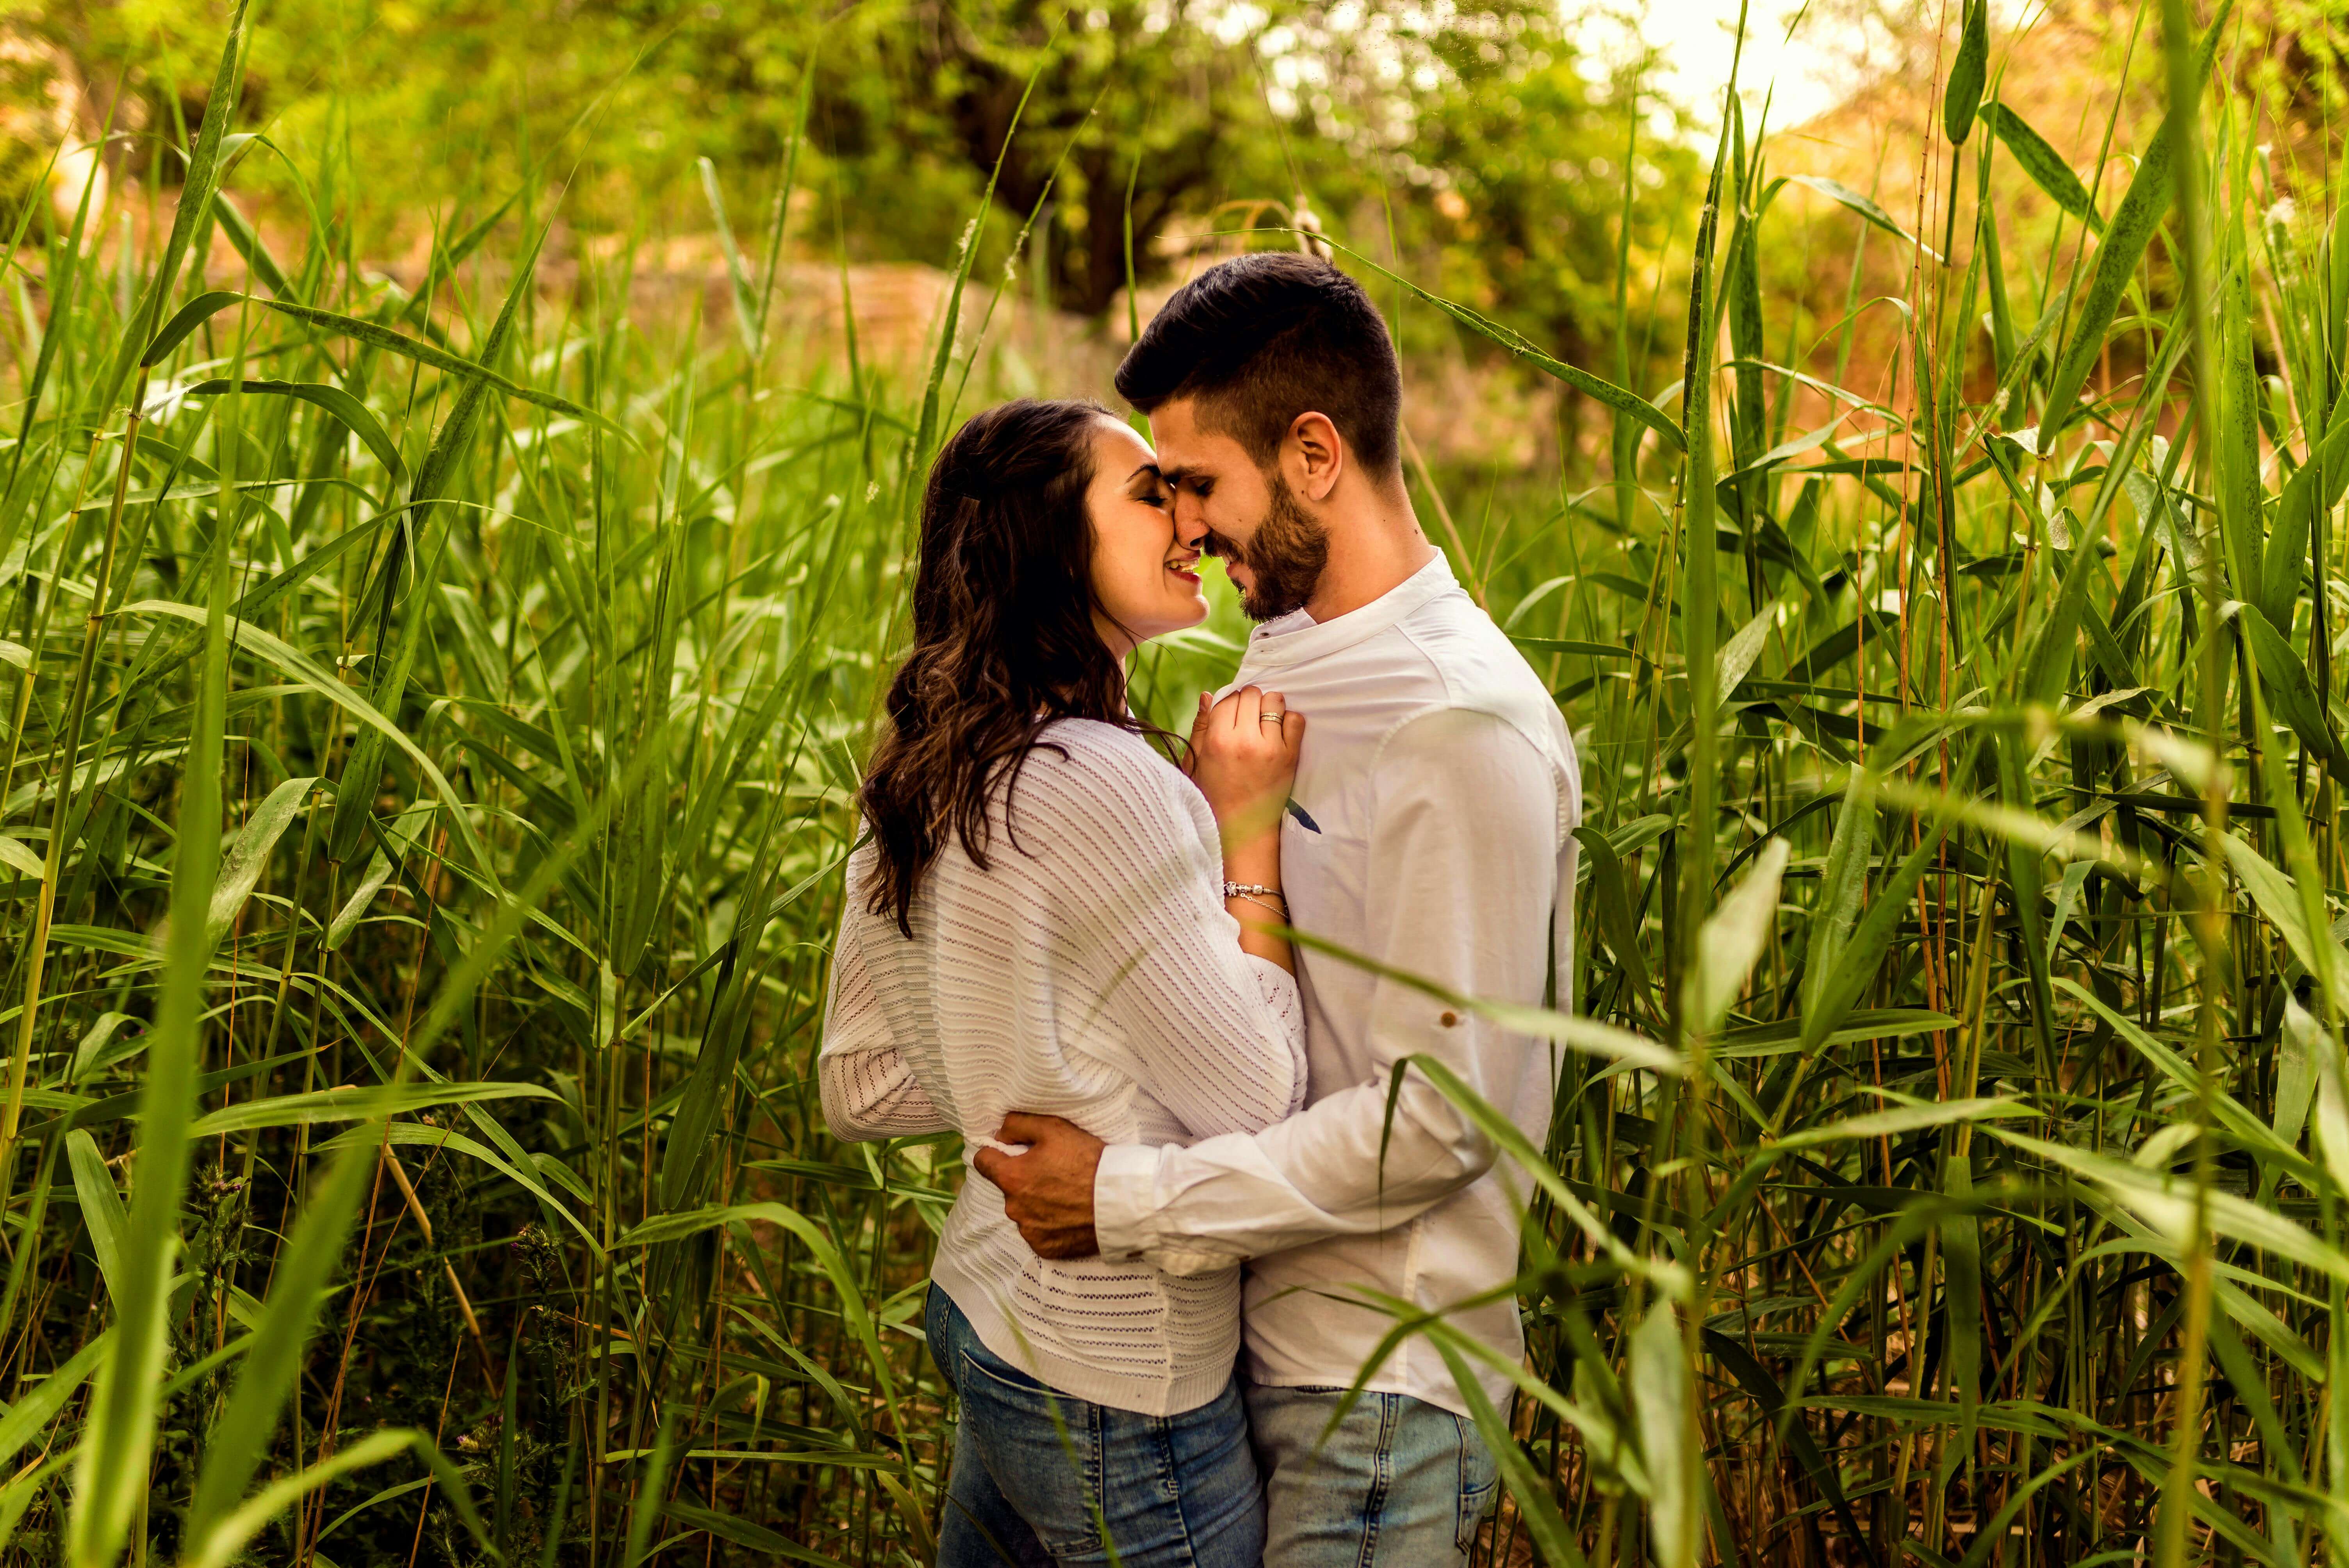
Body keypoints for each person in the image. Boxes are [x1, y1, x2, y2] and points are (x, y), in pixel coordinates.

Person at [972, 254, 1583, 1568]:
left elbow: (1440, 1122)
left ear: (1314, 453)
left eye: (1196, 484)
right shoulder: (1293, 645)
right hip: (1252, 1346)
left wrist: (1126, 1199)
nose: (1184, 527)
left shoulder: (1456, 721)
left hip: (1378, 1385)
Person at [818, 396, 1315, 1568]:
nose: (1189, 518)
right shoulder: (1107, 780)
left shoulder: (932, 757)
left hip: (989, 1314)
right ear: (1050, 539)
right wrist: (1246, 838)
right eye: (1150, 492)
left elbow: (865, 1082)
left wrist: (1038, 1062)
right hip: (1118, 1380)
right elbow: (1261, 1100)